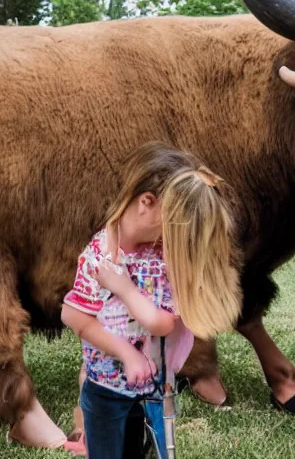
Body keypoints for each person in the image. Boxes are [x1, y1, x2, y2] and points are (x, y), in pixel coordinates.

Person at [62, 142, 242, 459]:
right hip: (106, 387)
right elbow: (74, 317)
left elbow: (161, 323)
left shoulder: (158, 255)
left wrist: (126, 290)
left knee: (135, 449)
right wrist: (125, 354)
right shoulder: (100, 255)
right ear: (147, 202)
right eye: (172, 226)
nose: (170, 239)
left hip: (150, 387)